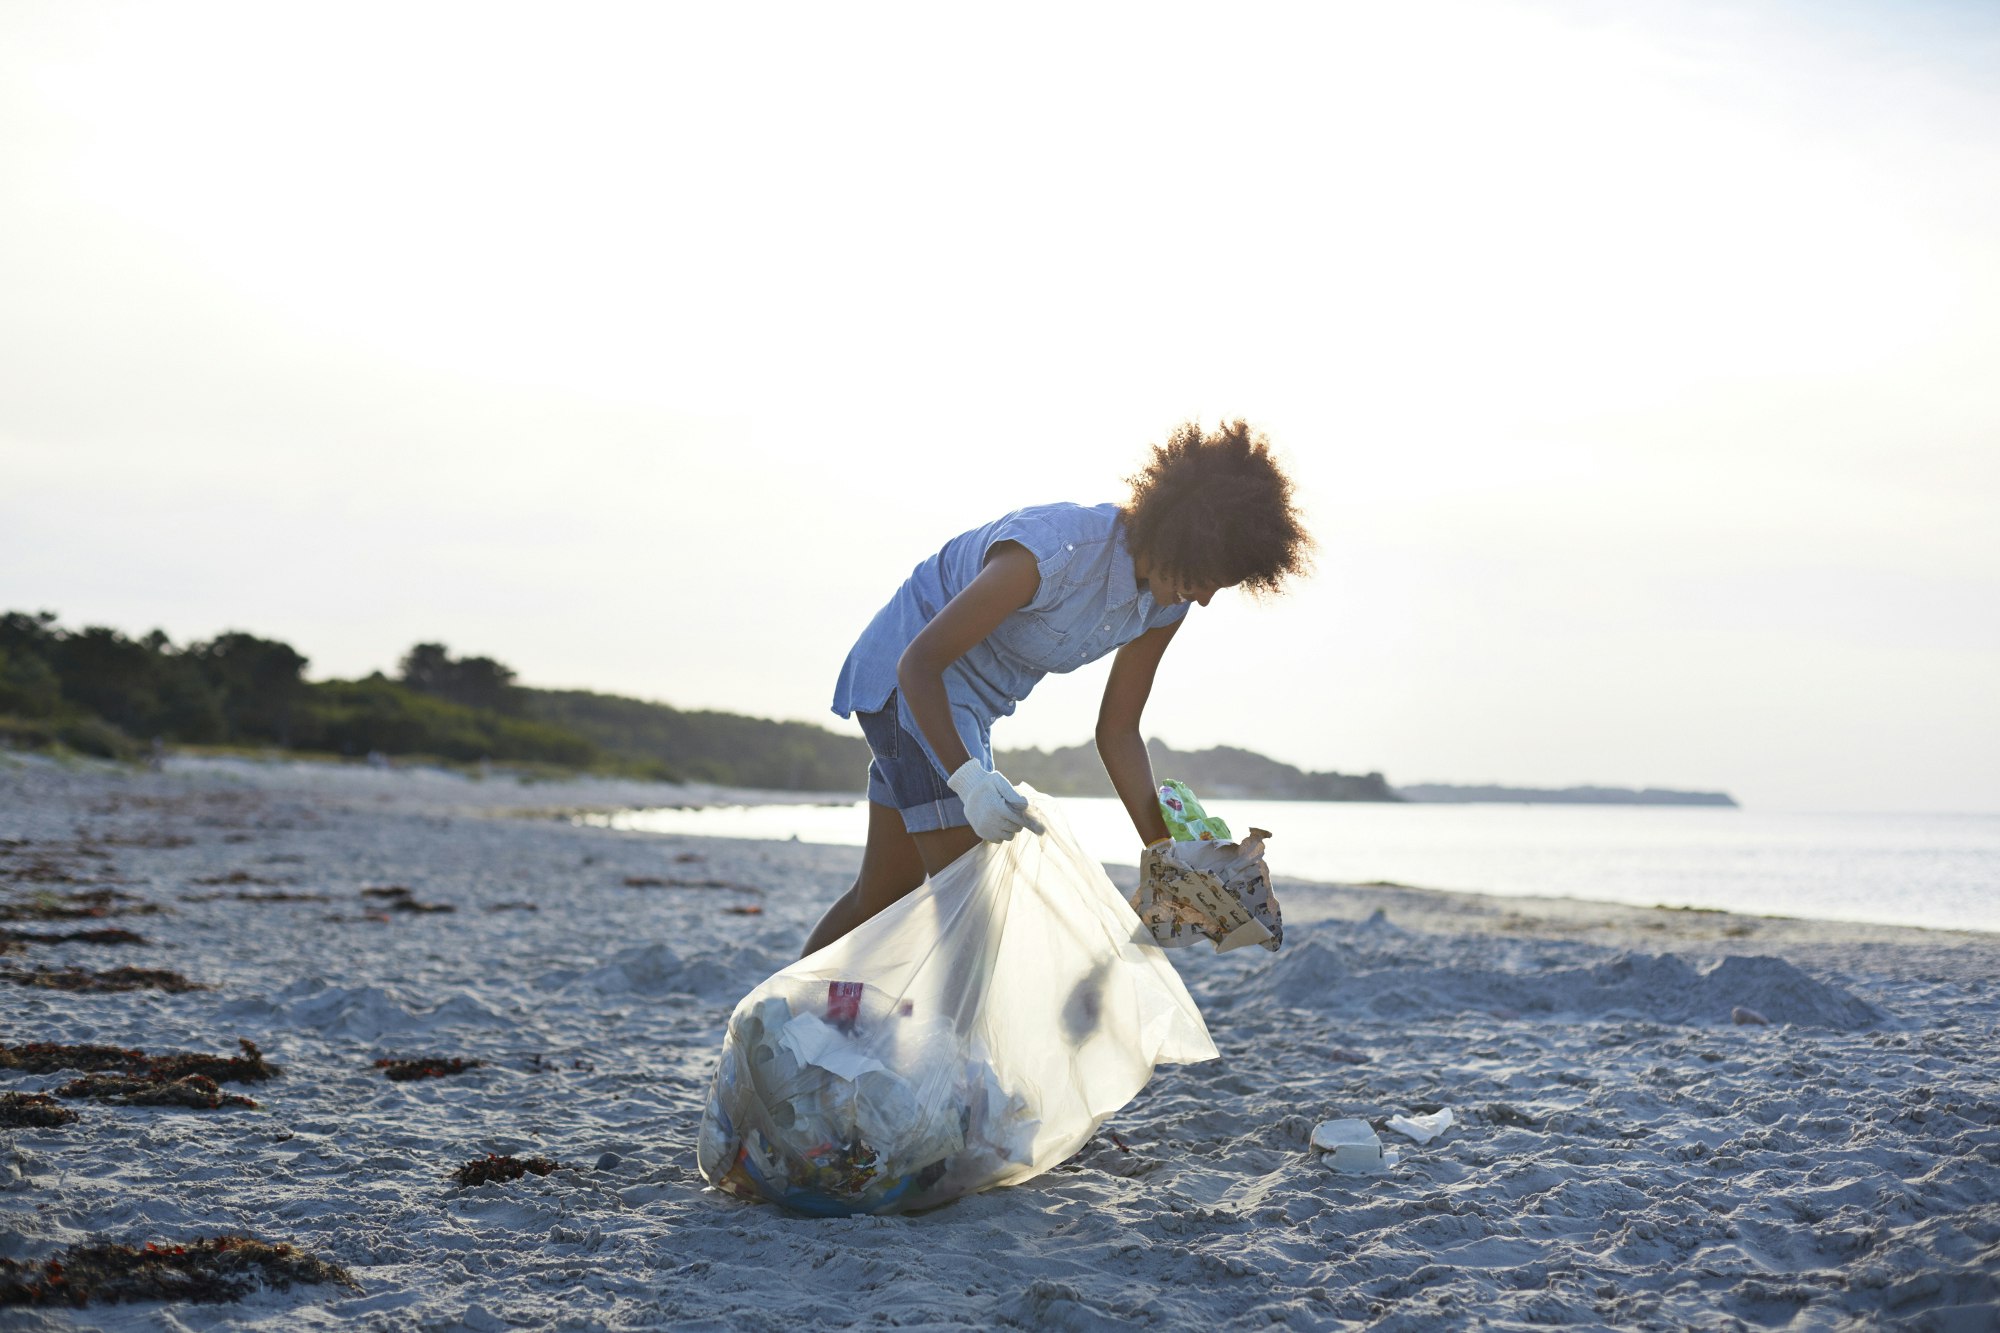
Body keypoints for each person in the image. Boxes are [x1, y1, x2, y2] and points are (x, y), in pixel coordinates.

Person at [803, 419, 1312, 956]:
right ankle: (943, 1038)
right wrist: (970, 781)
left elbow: (1118, 730)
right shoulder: (1054, 551)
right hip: (908, 680)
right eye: (1208, 577)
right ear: (1184, 533)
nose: (1206, 597)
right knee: (970, 903)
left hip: (969, 709)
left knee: (884, 893)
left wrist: (1164, 851)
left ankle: (790, 1014)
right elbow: (919, 665)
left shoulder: (1167, 604)